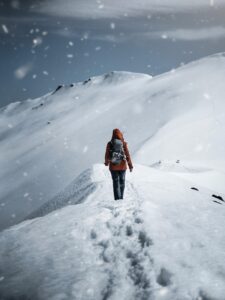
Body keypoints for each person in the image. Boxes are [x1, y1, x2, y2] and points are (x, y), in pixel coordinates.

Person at [104, 128, 133, 200]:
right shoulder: (123, 143)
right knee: (122, 182)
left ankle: (117, 199)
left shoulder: (110, 143)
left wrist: (107, 163)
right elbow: (127, 154)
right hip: (123, 167)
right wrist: (130, 166)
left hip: (113, 167)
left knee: (116, 183)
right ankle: (121, 198)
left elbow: (107, 154)